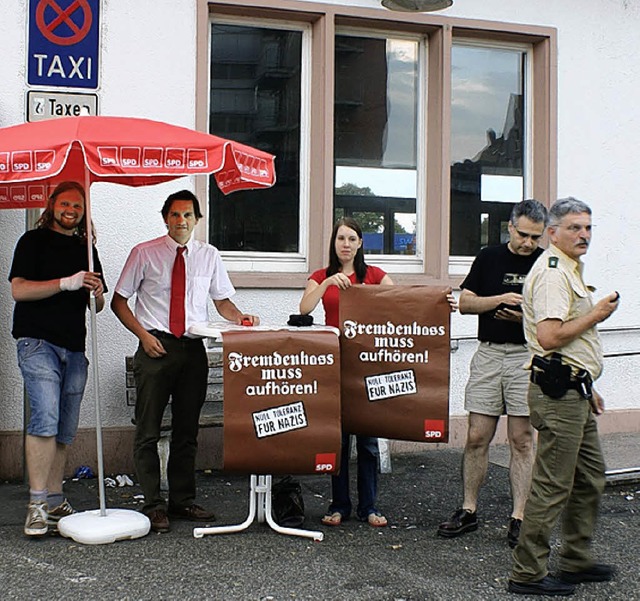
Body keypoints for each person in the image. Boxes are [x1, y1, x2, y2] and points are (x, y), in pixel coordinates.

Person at [111, 189, 259, 534]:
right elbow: (120, 301)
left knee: (186, 431)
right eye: (175, 215)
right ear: (166, 218)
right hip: (155, 348)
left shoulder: (208, 256)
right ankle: (153, 504)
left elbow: (222, 302)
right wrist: (144, 337)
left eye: (188, 215)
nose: (182, 221)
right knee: (148, 431)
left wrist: (240, 317)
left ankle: (181, 500)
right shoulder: (144, 253)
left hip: (193, 351)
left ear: (197, 220)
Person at [299, 217, 456, 528]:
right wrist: (329, 283)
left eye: (351, 239)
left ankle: (369, 506)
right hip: (337, 363)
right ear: (334, 243)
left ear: (360, 244)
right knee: (339, 440)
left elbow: (404, 304)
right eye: (340, 238)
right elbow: (304, 308)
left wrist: (441, 303)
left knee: (369, 439)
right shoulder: (321, 276)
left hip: (369, 364)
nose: (345, 244)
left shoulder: (374, 275)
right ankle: (339, 505)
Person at [508, 197, 619, 596]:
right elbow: (550, 337)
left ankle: (575, 560)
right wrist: (596, 314)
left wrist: (588, 387)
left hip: (574, 389)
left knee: (589, 477)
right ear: (552, 233)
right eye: (575, 227)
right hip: (558, 394)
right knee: (553, 484)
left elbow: (569, 346)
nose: (584, 235)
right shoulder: (555, 273)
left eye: (588, 227)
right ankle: (527, 573)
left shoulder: (568, 269)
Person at [438, 199, 548, 548]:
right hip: (488, 354)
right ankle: (468, 510)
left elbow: (555, 317)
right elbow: (465, 303)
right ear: (511, 227)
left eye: (535, 237)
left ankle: (519, 517)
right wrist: (501, 299)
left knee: (521, 440)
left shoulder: (546, 262)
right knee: (476, 436)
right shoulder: (489, 257)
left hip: (526, 358)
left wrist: (524, 317)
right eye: (524, 235)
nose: (529, 243)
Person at [9, 181, 107, 537]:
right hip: (37, 343)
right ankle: (35, 505)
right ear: (51, 206)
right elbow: (19, 289)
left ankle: (53, 499)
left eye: (78, 206)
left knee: (64, 426)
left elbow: (98, 304)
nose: (72, 210)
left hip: (74, 348)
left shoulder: (86, 249)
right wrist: (65, 282)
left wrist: (95, 291)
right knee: (46, 416)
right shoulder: (31, 243)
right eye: (66, 204)